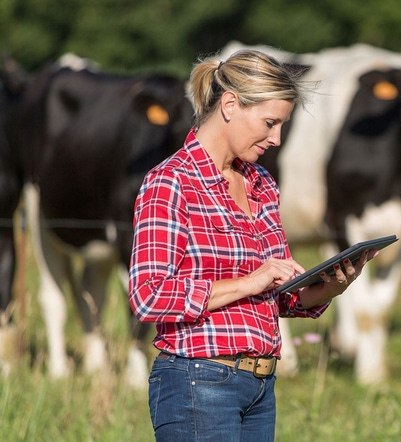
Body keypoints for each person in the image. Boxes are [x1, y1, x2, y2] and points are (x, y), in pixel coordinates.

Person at [128, 49, 376, 442]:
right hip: (198, 380)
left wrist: (329, 286)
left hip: (260, 385)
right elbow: (149, 295)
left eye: (281, 127)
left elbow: (273, 297)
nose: (276, 139)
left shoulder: (262, 184)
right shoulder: (171, 183)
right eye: (270, 123)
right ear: (230, 105)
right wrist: (248, 281)